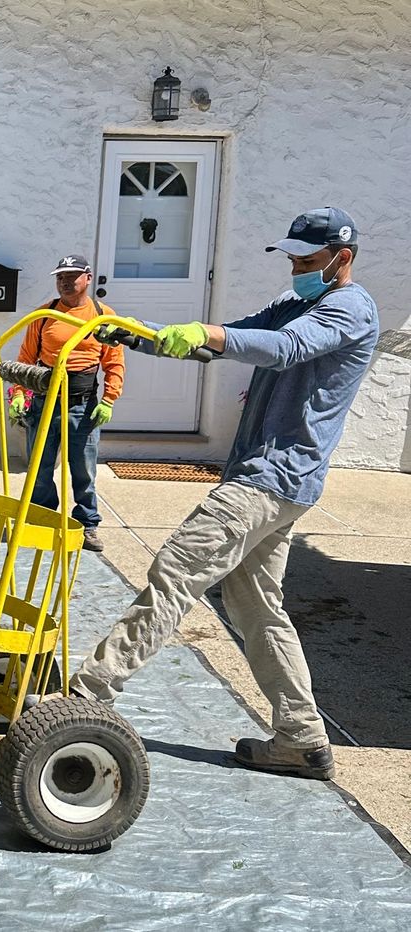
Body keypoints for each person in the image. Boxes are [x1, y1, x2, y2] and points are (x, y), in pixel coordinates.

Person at [69, 207, 378, 781]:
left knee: (177, 569)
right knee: (253, 605)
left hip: (273, 475)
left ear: (344, 257)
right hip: (271, 475)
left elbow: (282, 349)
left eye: (308, 261)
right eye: (292, 259)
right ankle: (301, 738)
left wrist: (208, 334)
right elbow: (231, 339)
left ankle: (85, 694)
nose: (297, 269)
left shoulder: (349, 309)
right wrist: (145, 337)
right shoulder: (296, 302)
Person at [8, 255, 125, 553]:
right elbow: (25, 359)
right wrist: (19, 393)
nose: (65, 282)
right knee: (40, 467)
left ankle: (87, 525)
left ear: (88, 278)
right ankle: (43, 519)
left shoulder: (103, 316)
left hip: (82, 406)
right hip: (45, 401)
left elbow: (114, 362)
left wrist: (109, 399)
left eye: (72, 276)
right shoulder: (45, 314)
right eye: (60, 277)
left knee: (83, 470)